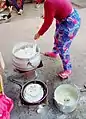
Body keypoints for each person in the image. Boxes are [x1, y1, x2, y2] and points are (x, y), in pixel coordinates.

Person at [34, 0, 81, 79]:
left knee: (63, 48)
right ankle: (55, 53)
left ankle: (68, 69)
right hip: (64, 18)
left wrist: (39, 33)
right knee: (57, 37)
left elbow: (47, 23)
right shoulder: (49, 2)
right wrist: (48, 15)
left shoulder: (48, 2)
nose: (35, 1)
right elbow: (58, 7)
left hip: (70, 23)